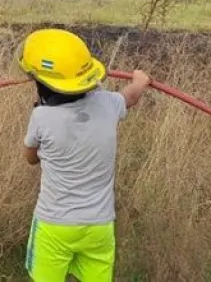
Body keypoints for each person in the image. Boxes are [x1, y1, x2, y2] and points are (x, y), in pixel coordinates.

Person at [18, 28, 150, 282]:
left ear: (41, 84)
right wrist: (139, 82)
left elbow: (30, 157)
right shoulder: (107, 103)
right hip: (99, 226)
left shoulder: (42, 117)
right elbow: (130, 97)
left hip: (54, 225)